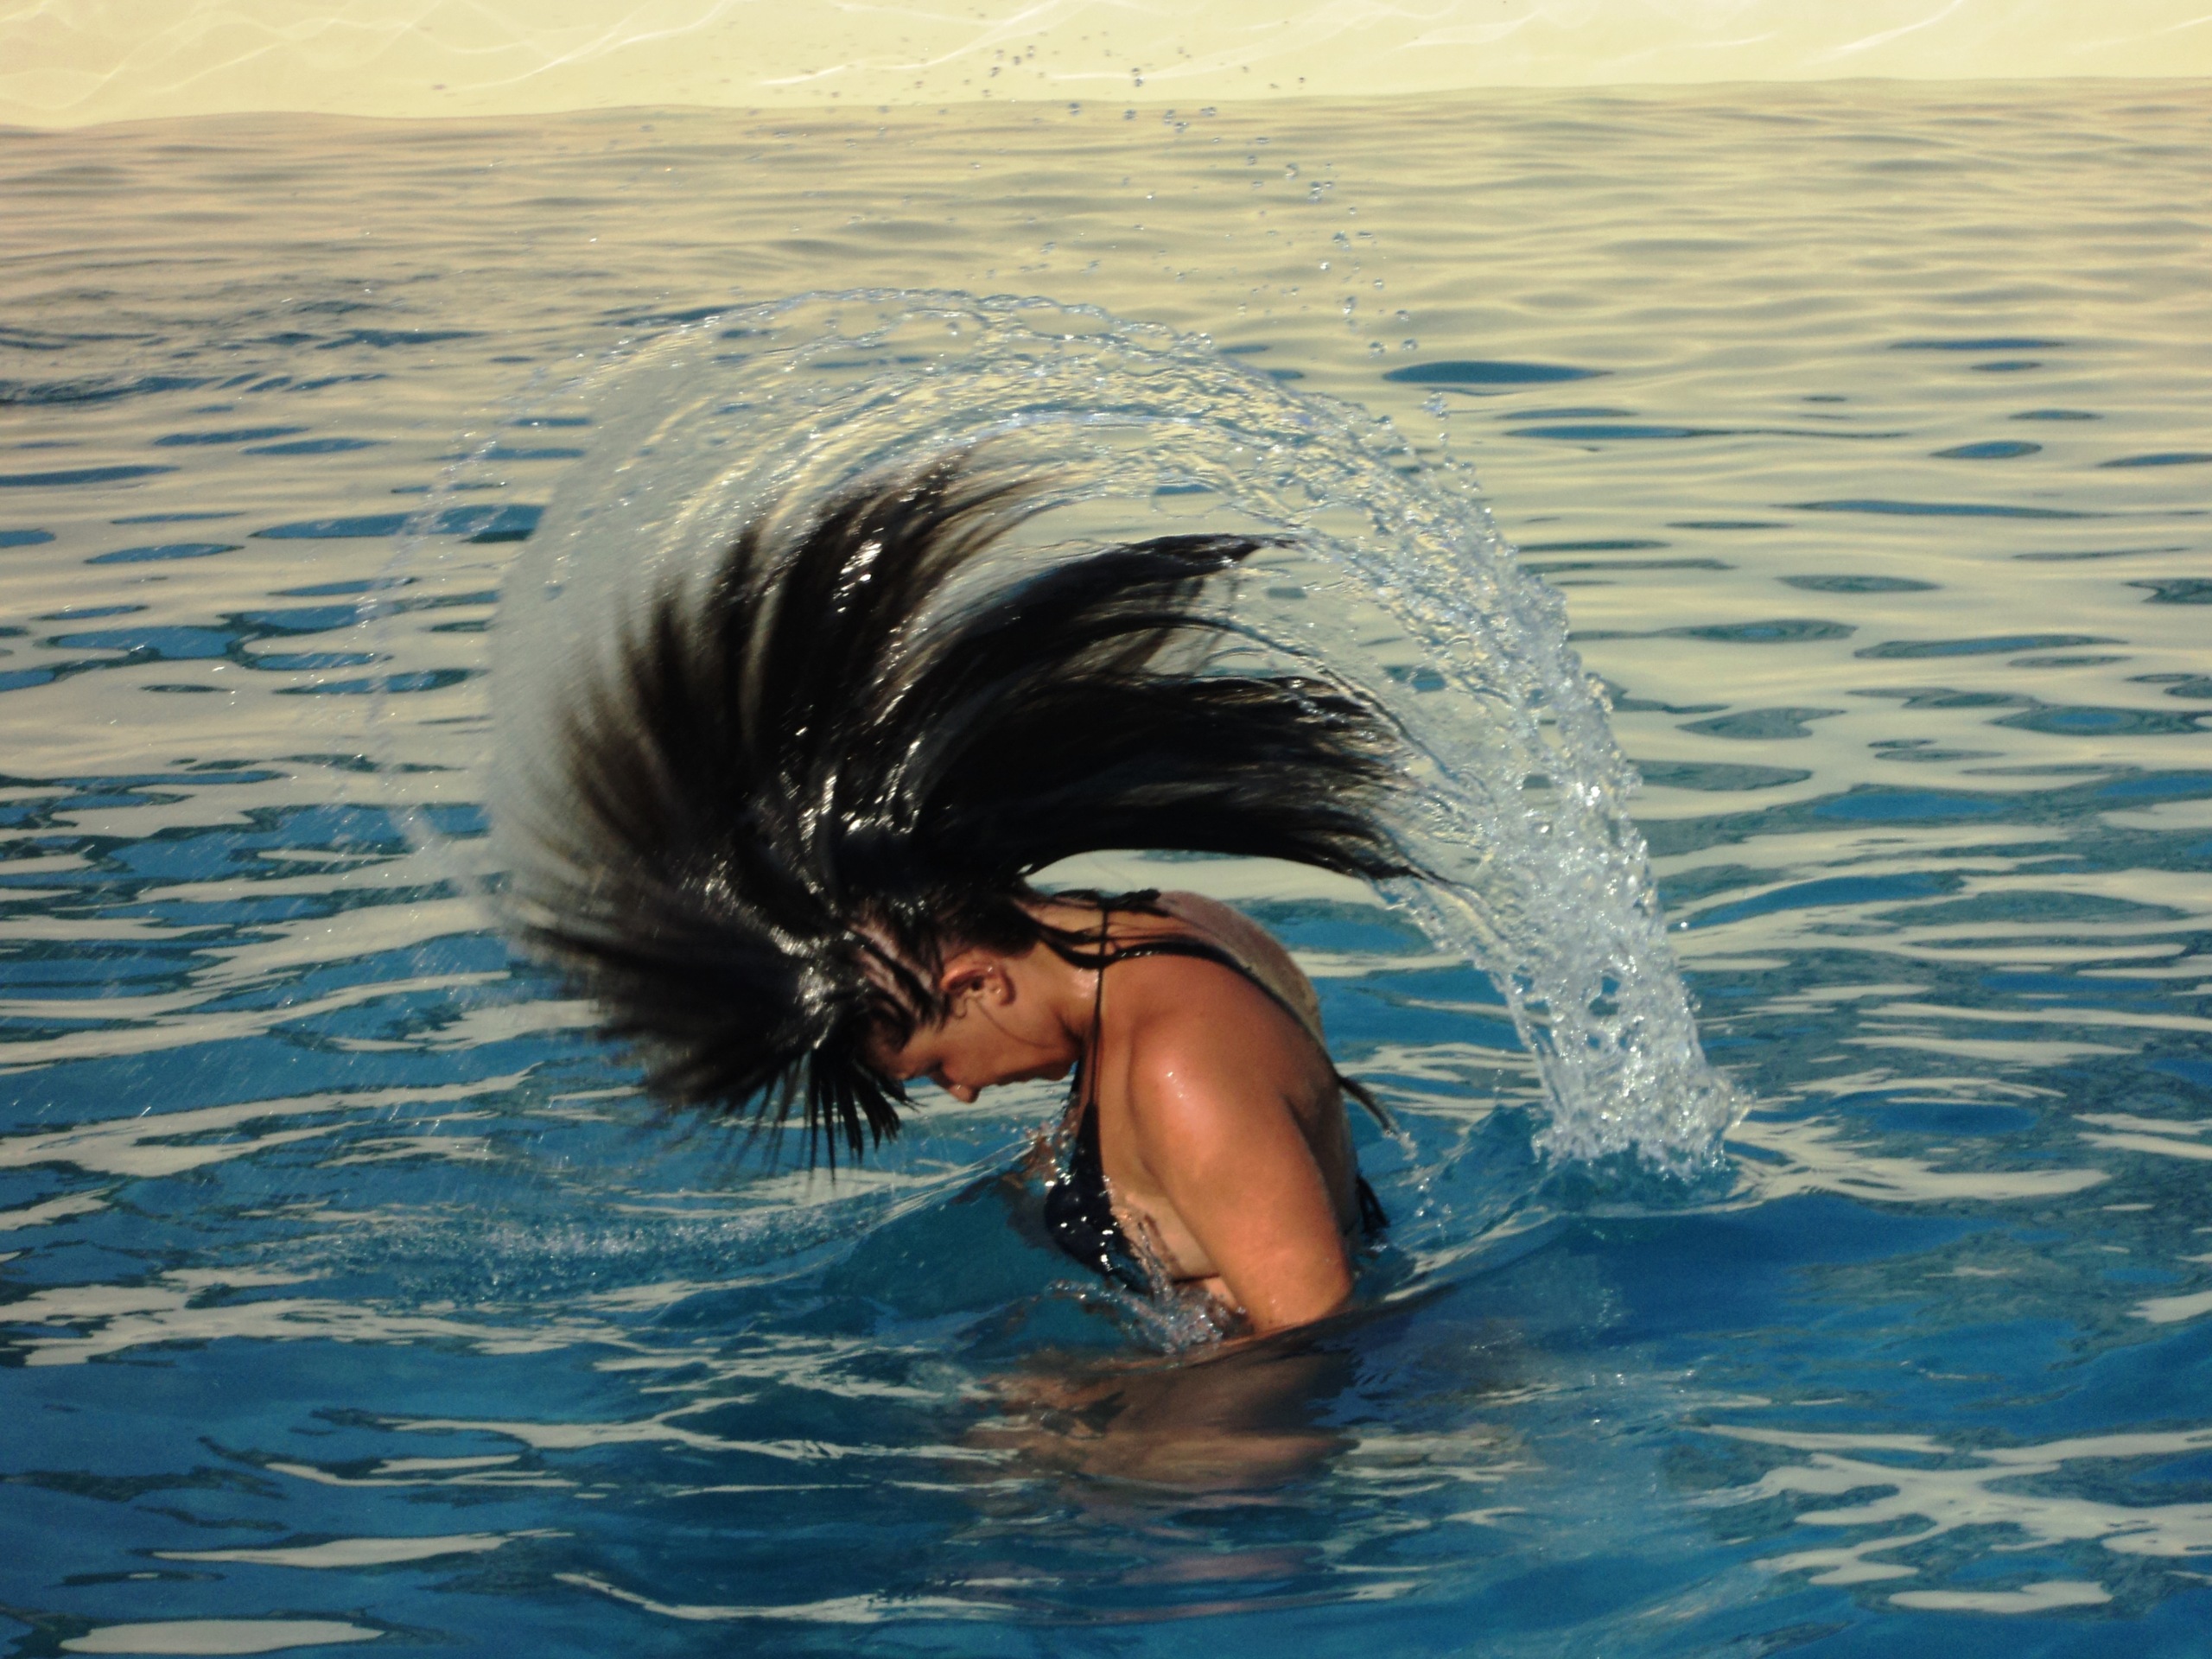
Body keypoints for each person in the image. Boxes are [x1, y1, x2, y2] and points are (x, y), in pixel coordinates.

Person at [498, 452, 1416, 1336]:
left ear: (977, 982)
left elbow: (1323, 1347)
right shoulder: (1171, 930)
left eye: (937, 1067)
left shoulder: (1183, 1072)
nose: (965, 1092)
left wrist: (1109, 1408)